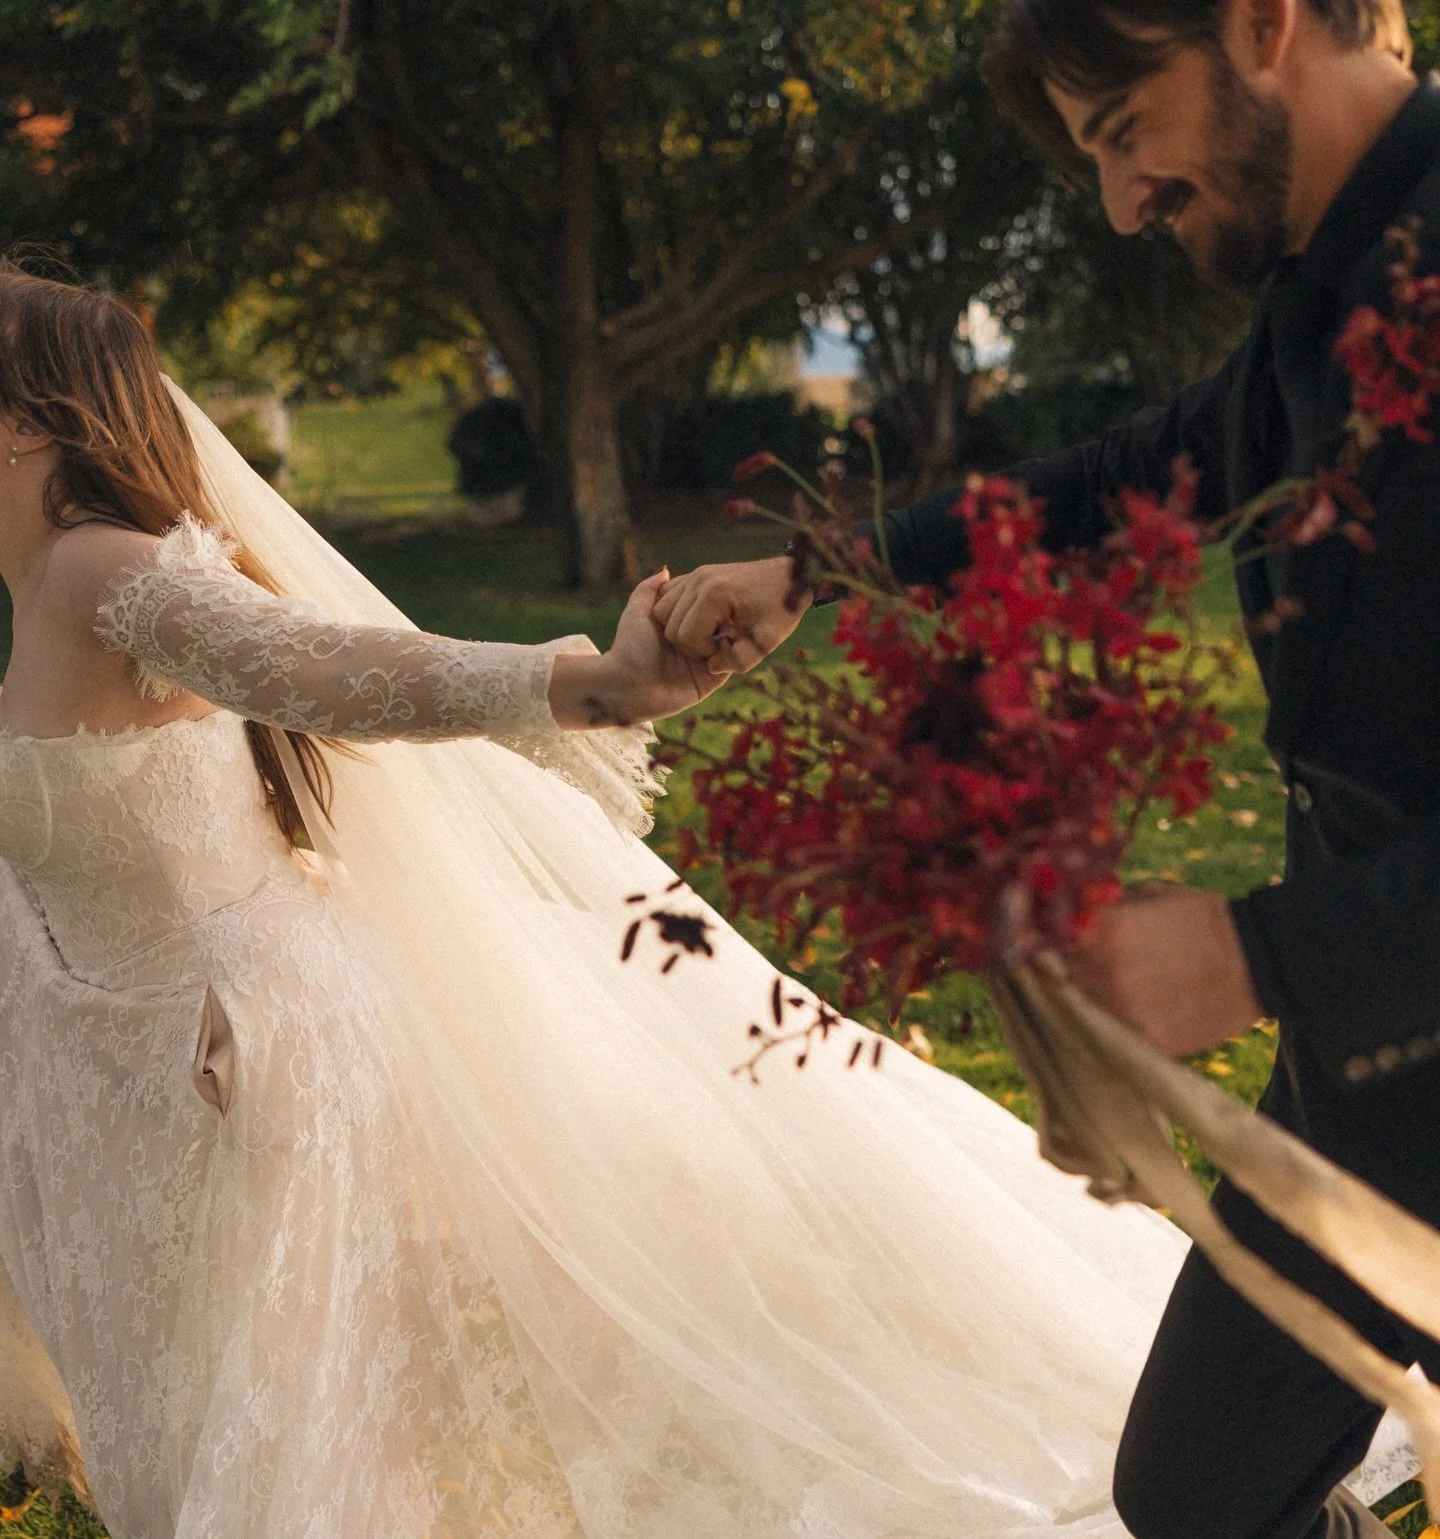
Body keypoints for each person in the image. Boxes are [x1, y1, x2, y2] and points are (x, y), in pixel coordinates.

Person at [0, 263, 1216, 1538]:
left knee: (276, 1445)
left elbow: (331, 669)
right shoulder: (39, 589)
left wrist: (594, 689)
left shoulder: (105, 571)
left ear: (29, 417)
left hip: (229, 1057)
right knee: (185, 1439)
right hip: (113, 1064)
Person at [653, 2, 1440, 1536]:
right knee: (1203, 1492)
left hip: (1371, 972)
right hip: (1381, 1061)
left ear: (1263, 24)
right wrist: (819, 565)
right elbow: (1125, 476)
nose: (1122, 198)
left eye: (1125, 126)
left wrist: (1251, 948)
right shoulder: (1320, 296)